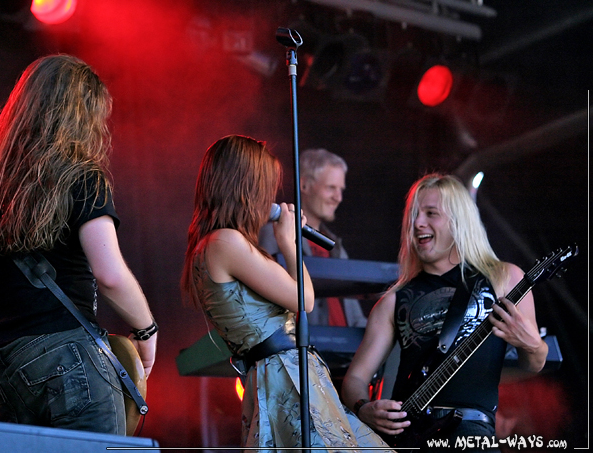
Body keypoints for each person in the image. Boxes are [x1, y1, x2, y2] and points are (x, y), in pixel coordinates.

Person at [0, 54, 157, 435]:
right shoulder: (83, 176)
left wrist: (2, 304)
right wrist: (147, 332)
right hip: (72, 362)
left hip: (4, 373)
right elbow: (111, 275)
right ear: (80, 117)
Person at [181, 135, 392, 451]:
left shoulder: (213, 244)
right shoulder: (226, 242)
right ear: (245, 186)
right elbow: (304, 299)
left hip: (278, 372)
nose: (270, 195)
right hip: (283, 373)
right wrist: (291, 243)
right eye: (265, 185)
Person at [341, 173, 548, 451]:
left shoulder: (504, 279)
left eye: (430, 213)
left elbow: (533, 363)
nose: (417, 223)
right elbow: (354, 378)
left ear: (458, 221)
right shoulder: (394, 300)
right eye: (413, 215)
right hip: (409, 438)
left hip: (471, 435)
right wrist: (363, 407)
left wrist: (532, 343)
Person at [259, 148, 367, 327]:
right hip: (304, 349)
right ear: (304, 186)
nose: (338, 198)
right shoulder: (274, 233)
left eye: (341, 189)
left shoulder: (336, 246)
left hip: (345, 353)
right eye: (331, 188)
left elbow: (355, 316)